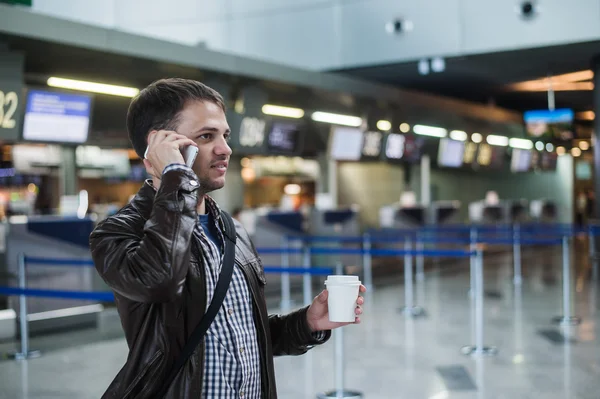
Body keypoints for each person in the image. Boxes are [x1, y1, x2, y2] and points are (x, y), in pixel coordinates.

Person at [89, 78, 366, 399]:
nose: (225, 149)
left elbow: (247, 335)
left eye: (225, 135)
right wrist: (175, 176)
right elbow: (159, 280)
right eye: (206, 136)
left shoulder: (232, 230)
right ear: (160, 145)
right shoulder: (118, 232)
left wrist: (307, 323)